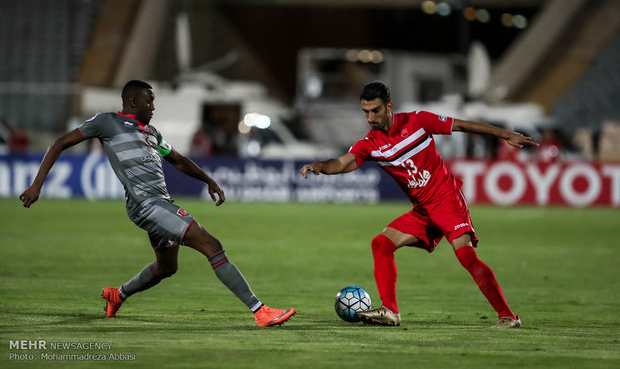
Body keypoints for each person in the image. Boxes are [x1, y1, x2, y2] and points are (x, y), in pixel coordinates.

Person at [20, 80, 295, 327]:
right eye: (149, 101)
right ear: (132, 102)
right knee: (211, 245)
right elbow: (59, 143)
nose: (153, 106)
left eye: (154, 101)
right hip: (146, 205)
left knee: (167, 268)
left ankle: (117, 295)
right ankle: (260, 311)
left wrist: (208, 179)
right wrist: (37, 184)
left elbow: (177, 160)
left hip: (159, 202)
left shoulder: (151, 132)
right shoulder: (107, 122)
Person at [300, 82, 537, 328]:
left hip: (446, 201)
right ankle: (390, 311)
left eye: (376, 111)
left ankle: (507, 316)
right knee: (381, 244)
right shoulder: (370, 144)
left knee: (466, 256)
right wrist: (321, 166)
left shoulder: (418, 121)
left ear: (389, 107)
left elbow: (462, 125)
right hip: (423, 211)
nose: (370, 118)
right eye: (366, 112)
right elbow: (340, 163)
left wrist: (505, 134)